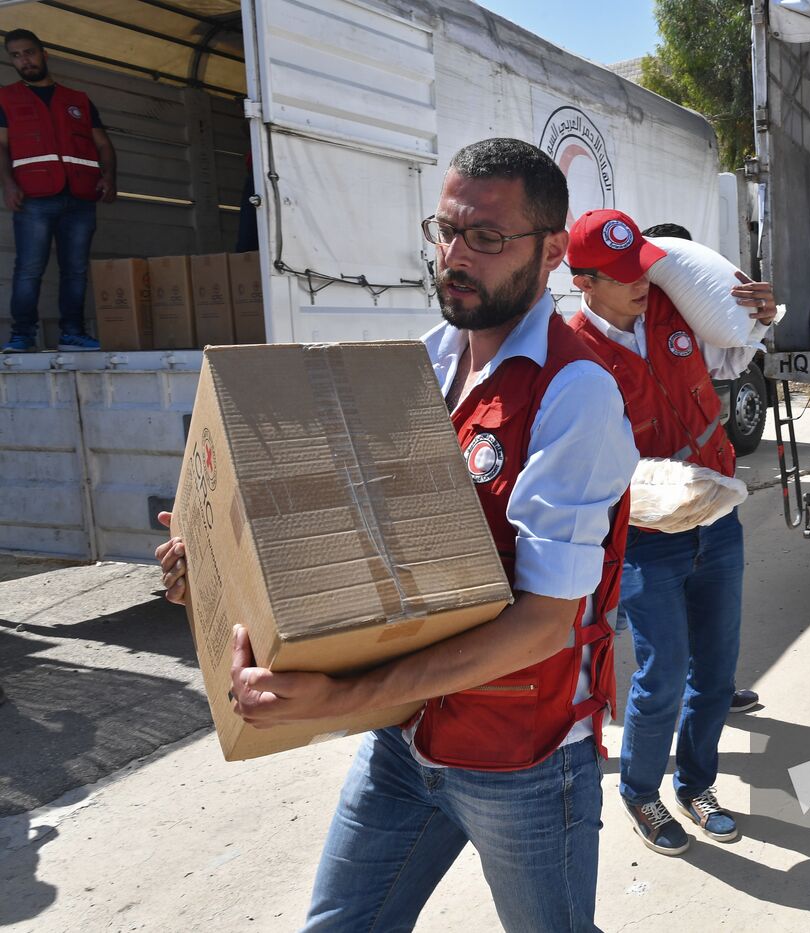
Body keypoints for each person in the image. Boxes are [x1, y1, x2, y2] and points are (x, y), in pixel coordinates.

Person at [156, 138, 638, 931]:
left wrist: (343, 697)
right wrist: (216, 571)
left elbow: (542, 624)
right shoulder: (421, 363)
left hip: (521, 760)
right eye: (446, 230)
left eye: (486, 236)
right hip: (405, 740)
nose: (455, 255)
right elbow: (352, 542)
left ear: (553, 252)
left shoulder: (574, 391)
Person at [564, 209, 777, 856]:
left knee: (715, 670)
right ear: (584, 282)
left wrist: (759, 318)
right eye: (623, 276)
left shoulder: (675, 311)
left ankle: (696, 784)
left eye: (643, 269)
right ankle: (640, 791)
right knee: (663, 674)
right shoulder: (570, 351)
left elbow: (734, 353)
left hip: (717, 517)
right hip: (647, 536)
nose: (641, 283)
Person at [638, 221, 763, 718]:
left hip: (711, 490)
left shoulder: (692, 324)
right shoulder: (616, 331)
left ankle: (714, 688)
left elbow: (729, 364)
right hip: (653, 506)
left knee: (714, 614)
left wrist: (760, 321)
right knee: (655, 640)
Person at [1, 29, 116, 353]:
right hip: (33, 197)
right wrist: (8, 184)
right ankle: (22, 336)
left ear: (44, 54)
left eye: (29, 52)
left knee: (75, 270)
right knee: (28, 269)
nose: (24, 60)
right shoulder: (5, 98)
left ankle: (72, 334)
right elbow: (0, 146)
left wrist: (109, 176)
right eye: (16, 56)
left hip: (80, 197)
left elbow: (103, 144)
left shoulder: (78, 100)